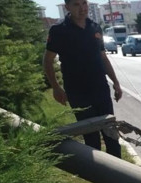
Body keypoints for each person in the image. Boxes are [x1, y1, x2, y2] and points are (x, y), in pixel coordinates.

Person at [43, 0, 122, 161]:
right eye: (76, 4)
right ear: (68, 7)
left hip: (100, 89)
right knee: (91, 139)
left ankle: (120, 181)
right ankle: (100, 182)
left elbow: (103, 57)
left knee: (111, 135)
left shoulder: (95, 27)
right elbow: (47, 60)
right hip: (78, 93)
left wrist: (116, 82)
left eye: (84, 3)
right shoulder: (59, 31)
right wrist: (56, 88)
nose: (82, 8)